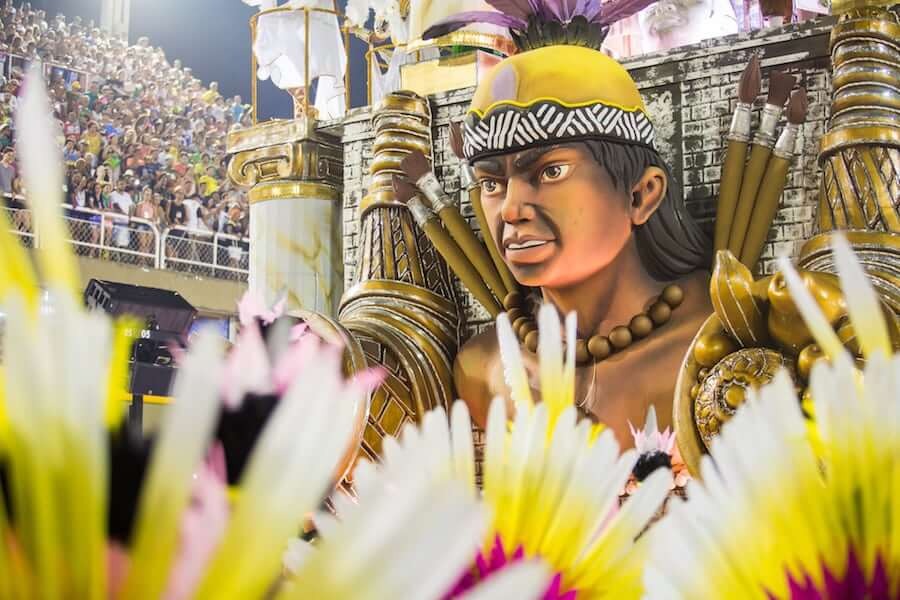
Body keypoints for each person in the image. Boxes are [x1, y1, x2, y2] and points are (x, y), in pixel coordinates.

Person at [444, 6, 712, 445]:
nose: (510, 210)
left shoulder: (716, 343)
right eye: (492, 184)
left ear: (641, 195)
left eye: (551, 172)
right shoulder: (484, 367)